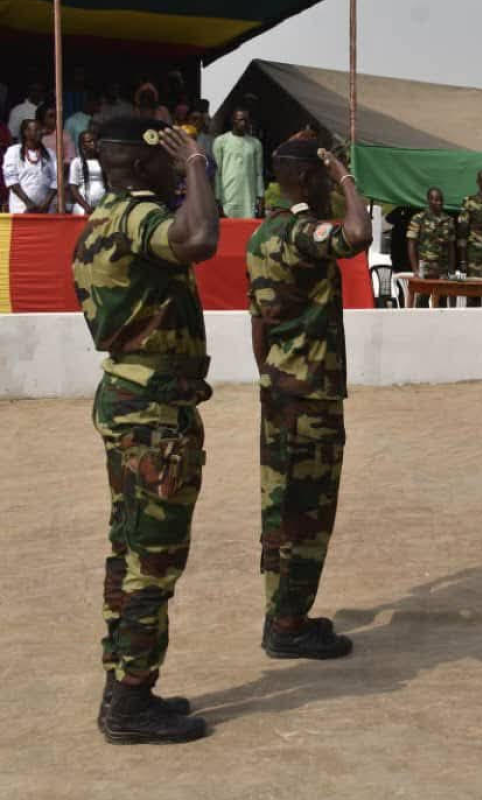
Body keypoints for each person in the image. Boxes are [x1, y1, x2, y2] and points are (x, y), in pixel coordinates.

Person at [72, 116, 220, 743]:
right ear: (141, 163)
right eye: (164, 158)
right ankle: (131, 702)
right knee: (154, 561)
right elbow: (199, 240)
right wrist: (198, 167)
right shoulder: (135, 217)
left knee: (128, 551)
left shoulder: (99, 221)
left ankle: (123, 684)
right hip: (154, 414)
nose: (173, 168)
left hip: (131, 402)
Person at [246, 140, 372, 661]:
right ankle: (289, 626)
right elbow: (359, 233)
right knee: (308, 513)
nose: (328, 186)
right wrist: (344, 175)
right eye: (321, 178)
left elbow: (258, 324)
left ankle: (282, 612)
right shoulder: (301, 231)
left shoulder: (260, 237)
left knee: (279, 506)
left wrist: (274, 378)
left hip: (279, 388)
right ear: (308, 179)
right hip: (311, 395)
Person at [213, 108, 264, 219]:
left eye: (246, 120)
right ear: (233, 121)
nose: (243, 123)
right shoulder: (221, 141)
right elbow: (217, 172)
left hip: (248, 197)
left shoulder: (255, 143)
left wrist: (260, 197)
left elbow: (259, 173)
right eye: (240, 120)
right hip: (227, 196)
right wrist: (217, 198)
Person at [3, 119, 58, 213]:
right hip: (20, 208)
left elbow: (56, 180)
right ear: (26, 132)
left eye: (40, 130)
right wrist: (28, 202)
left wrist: (46, 203)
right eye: (36, 130)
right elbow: (12, 180)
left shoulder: (50, 153)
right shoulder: (13, 151)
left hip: (45, 209)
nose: (40, 132)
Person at [408, 187, 456, 281]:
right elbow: (411, 245)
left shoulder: (448, 220)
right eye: (436, 200)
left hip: (443, 270)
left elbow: (451, 247)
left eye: (441, 200)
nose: (439, 202)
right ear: (429, 201)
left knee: (442, 295)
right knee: (423, 295)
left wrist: (451, 270)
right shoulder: (419, 218)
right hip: (425, 268)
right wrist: (415, 271)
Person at [68, 130, 105, 214]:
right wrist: (86, 207)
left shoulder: (103, 161)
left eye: (95, 141)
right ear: (82, 145)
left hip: (101, 208)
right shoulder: (77, 162)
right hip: (83, 208)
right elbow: (73, 188)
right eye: (89, 141)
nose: (93, 144)